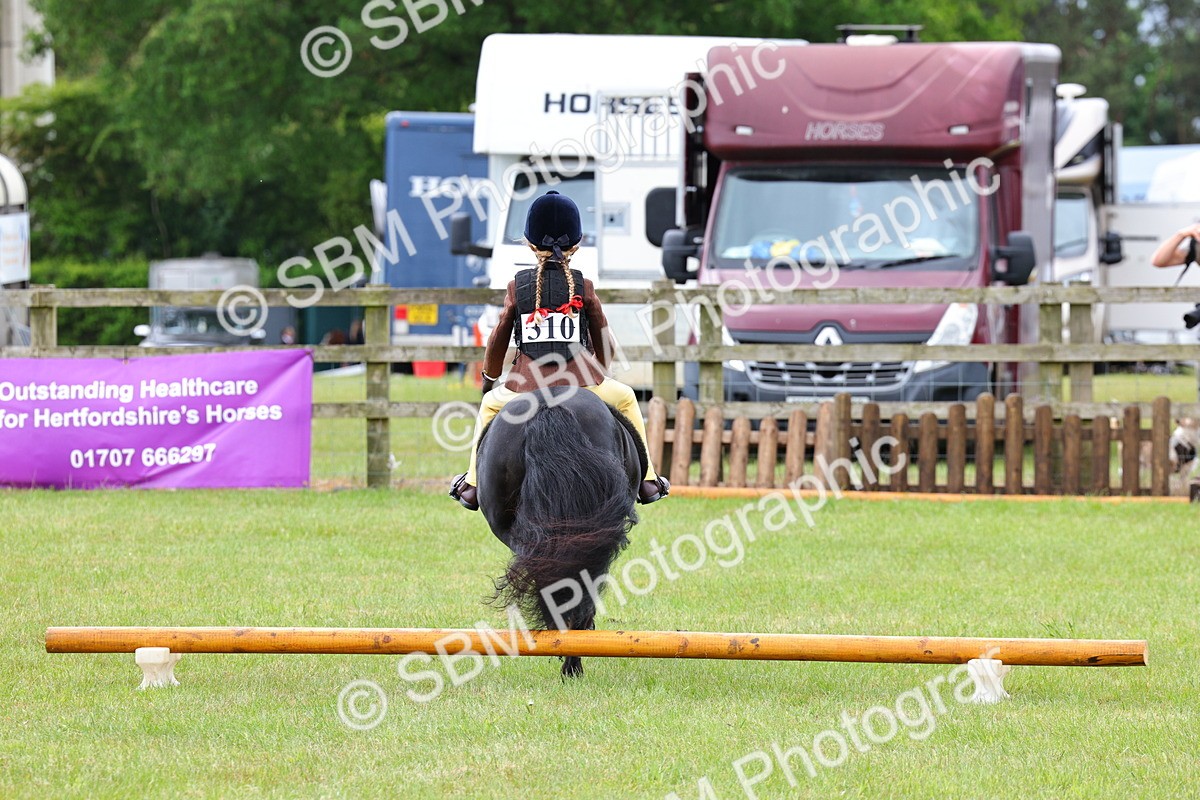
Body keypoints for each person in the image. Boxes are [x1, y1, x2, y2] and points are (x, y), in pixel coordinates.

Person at [449, 191, 670, 510]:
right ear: (575, 246)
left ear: (529, 243)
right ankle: (647, 480)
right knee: (626, 398)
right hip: (580, 383)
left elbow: (499, 336)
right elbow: (602, 335)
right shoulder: (584, 286)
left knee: (488, 405)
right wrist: (601, 370)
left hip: (525, 389)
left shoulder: (517, 286)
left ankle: (472, 484)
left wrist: (491, 373)